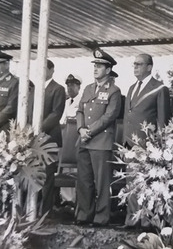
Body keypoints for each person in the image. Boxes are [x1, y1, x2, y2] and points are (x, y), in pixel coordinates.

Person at [122, 53, 171, 229]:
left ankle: (147, 221)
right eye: (134, 64)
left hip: (148, 145)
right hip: (130, 143)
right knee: (132, 183)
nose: (135, 67)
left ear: (149, 67)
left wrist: (159, 145)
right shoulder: (131, 88)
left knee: (148, 184)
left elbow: (163, 120)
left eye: (139, 64)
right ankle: (132, 219)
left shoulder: (159, 88)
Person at [75, 48, 122, 226]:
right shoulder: (88, 88)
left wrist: (89, 130)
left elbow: (110, 116)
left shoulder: (114, 91)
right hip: (84, 140)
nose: (95, 69)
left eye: (100, 66)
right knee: (84, 180)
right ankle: (83, 215)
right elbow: (79, 110)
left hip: (101, 142)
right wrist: (80, 129)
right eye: (95, 66)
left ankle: (101, 217)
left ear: (108, 70)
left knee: (102, 182)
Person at [38, 59, 66, 214]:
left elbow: (56, 114)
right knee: (35, 174)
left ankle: (46, 211)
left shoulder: (58, 89)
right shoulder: (34, 89)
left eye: (43, 69)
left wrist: (39, 128)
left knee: (48, 175)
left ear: (51, 70)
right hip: (33, 139)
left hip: (49, 138)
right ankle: (33, 208)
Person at [59, 74, 82, 207]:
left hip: (75, 139)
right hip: (65, 139)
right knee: (64, 168)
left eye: (72, 85)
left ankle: (73, 200)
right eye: (68, 85)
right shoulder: (66, 101)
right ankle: (65, 200)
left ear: (79, 86)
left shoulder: (82, 101)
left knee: (74, 171)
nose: (69, 88)